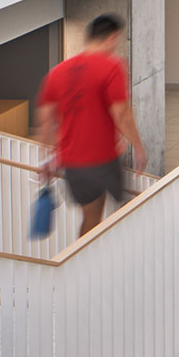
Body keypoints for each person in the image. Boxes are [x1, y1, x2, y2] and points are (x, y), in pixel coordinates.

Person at [36, 14, 148, 238]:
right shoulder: (111, 67)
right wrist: (138, 146)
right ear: (112, 38)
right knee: (128, 208)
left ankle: (85, 261)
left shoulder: (57, 72)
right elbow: (121, 113)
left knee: (91, 216)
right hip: (103, 159)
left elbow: (46, 121)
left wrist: (46, 158)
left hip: (73, 163)